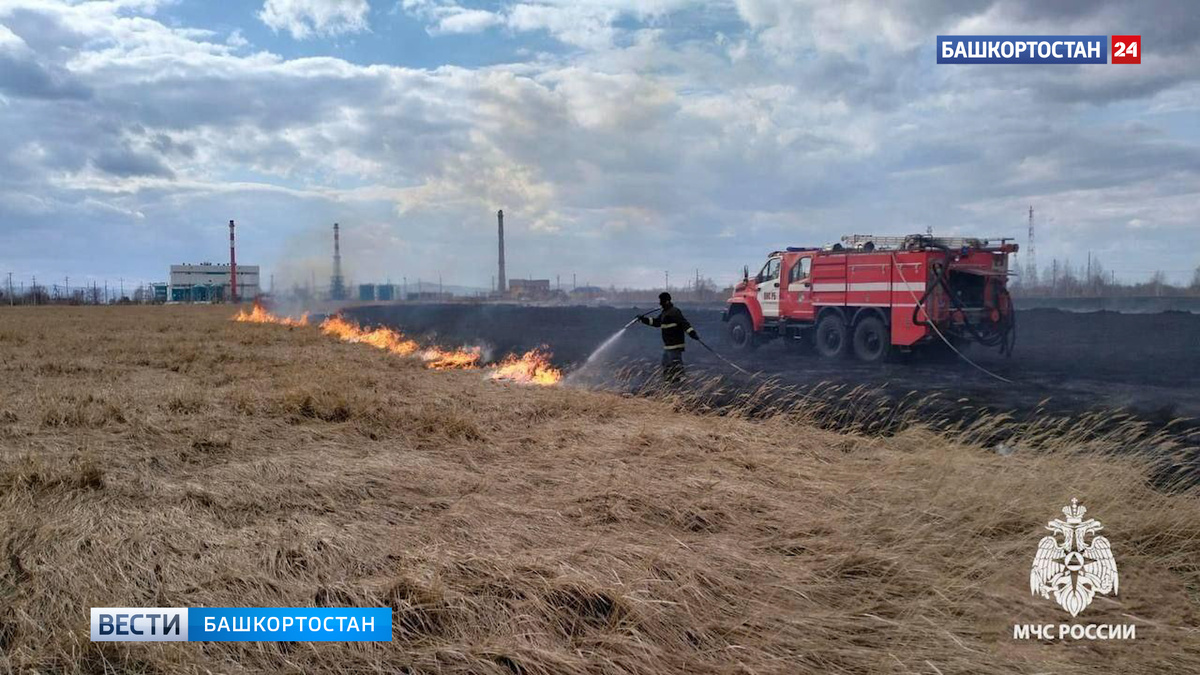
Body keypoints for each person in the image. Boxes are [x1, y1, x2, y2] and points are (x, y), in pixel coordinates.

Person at [639, 292, 700, 383]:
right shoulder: (664, 313)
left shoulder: (674, 311)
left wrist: (692, 333)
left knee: (675, 363)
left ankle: (680, 382)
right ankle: (669, 381)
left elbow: (684, 323)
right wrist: (643, 320)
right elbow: (656, 322)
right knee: (666, 364)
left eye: (661, 301)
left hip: (675, 344)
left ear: (667, 301)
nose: (660, 303)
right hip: (668, 345)